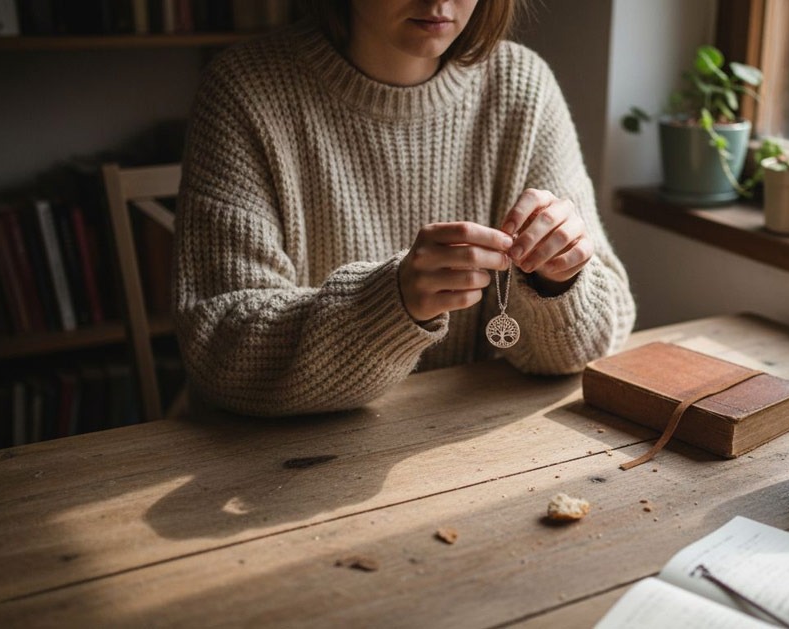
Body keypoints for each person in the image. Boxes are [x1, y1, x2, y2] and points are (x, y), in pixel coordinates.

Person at [173, 0, 636, 416]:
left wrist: (558, 280)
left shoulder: (523, 88)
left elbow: (595, 343)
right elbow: (220, 345)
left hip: (466, 450)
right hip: (272, 466)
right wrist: (389, 305)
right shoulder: (243, 89)